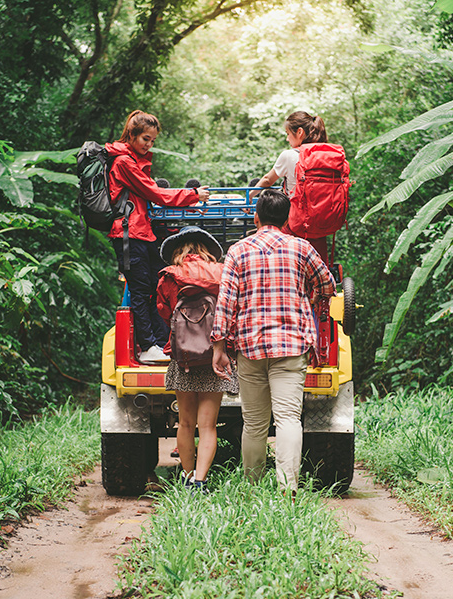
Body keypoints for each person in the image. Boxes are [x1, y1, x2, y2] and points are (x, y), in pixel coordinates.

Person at [211, 189, 336, 493]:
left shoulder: (238, 251)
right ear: (287, 218)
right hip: (292, 346)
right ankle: (288, 487)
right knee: (289, 419)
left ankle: (253, 487)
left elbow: (226, 301)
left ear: (255, 217)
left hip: (250, 349)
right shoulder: (301, 248)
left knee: (254, 423)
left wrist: (219, 346)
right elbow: (328, 284)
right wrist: (310, 294)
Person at [106, 110, 210, 364]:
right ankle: (148, 345)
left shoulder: (132, 160)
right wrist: (193, 195)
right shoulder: (124, 163)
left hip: (141, 232)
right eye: (145, 139)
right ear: (131, 135)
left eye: (152, 140)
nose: (149, 144)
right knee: (141, 291)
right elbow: (156, 193)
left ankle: (160, 342)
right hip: (129, 234)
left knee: (156, 284)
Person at [157, 227, 239, 492]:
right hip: (215, 355)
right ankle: (201, 481)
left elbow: (164, 311)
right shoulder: (221, 272)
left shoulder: (170, 276)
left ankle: (187, 475)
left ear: (178, 251)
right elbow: (231, 310)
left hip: (184, 358)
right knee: (208, 425)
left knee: (186, 423)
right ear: (206, 250)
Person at [251, 110, 329, 262]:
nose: (287, 139)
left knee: (287, 264)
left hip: (296, 224)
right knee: (319, 265)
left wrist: (249, 196)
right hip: (321, 223)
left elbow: (267, 180)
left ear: (299, 132)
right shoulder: (326, 156)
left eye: (288, 133)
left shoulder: (290, 155)